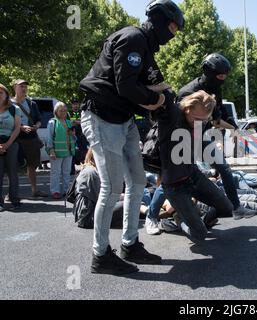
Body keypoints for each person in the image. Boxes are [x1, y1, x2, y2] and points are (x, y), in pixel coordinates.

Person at [79, 0, 184, 275]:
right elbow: (126, 85)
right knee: (111, 188)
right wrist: (158, 99)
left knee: (137, 183)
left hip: (123, 121)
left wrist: (169, 99)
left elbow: (157, 84)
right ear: (161, 20)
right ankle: (100, 255)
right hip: (102, 117)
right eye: (173, 27)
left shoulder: (147, 49)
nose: (174, 33)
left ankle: (130, 244)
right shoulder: (133, 37)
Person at [177, 53, 256, 219]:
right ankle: (152, 215)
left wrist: (236, 129)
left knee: (225, 170)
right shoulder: (188, 92)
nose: (223, 79)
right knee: (178, 177)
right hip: (183, 138)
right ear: (209, 72)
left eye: (225, 76)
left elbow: (221, 117)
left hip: (202, 136)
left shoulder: (215, 90)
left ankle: (236, 208)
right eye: (220, 75)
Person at [154, 90, 234, 243]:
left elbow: (196, 148)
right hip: (174, 186)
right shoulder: (172, 114)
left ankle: (197, 221)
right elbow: (161, 96)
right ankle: (179, 220)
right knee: (200, 236)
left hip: (193, 176)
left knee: (227, 207)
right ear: (187, 108)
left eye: (204, 120)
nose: (199, 122)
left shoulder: (198, 121)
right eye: (197, 118)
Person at [11, 79, 47, 198]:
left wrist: (36, 126)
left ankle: (34, 190)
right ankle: (12, 194)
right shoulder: (9, 103)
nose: (24, 88)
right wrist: (21, 127)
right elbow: (6, 122)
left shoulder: (32, 103)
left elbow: (39, 120)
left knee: (32, 165)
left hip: (31, 138)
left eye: (25, 86)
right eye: (21, 86)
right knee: (13, 166)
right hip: (15, 138)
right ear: (15, 87)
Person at [46, 102, 76, 199]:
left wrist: (73, 134)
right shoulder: (52, 122)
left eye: (65, 110)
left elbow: (75, 139)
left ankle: (66, 190)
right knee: (56, 172)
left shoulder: (69, 122)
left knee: (66, 172)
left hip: (68, 151)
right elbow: (49, 138)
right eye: (61, 110)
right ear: (56, 111)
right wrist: (51, 150)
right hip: (57, 152)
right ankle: (55, 191)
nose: (63, 112)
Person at [0, 84, 22, 211]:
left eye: (0, 93)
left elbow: (17, 127)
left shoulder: (14, 109)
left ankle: (14, 199)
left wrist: (7, 144)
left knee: (13, 172)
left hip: (11, 142)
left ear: (6, 95)